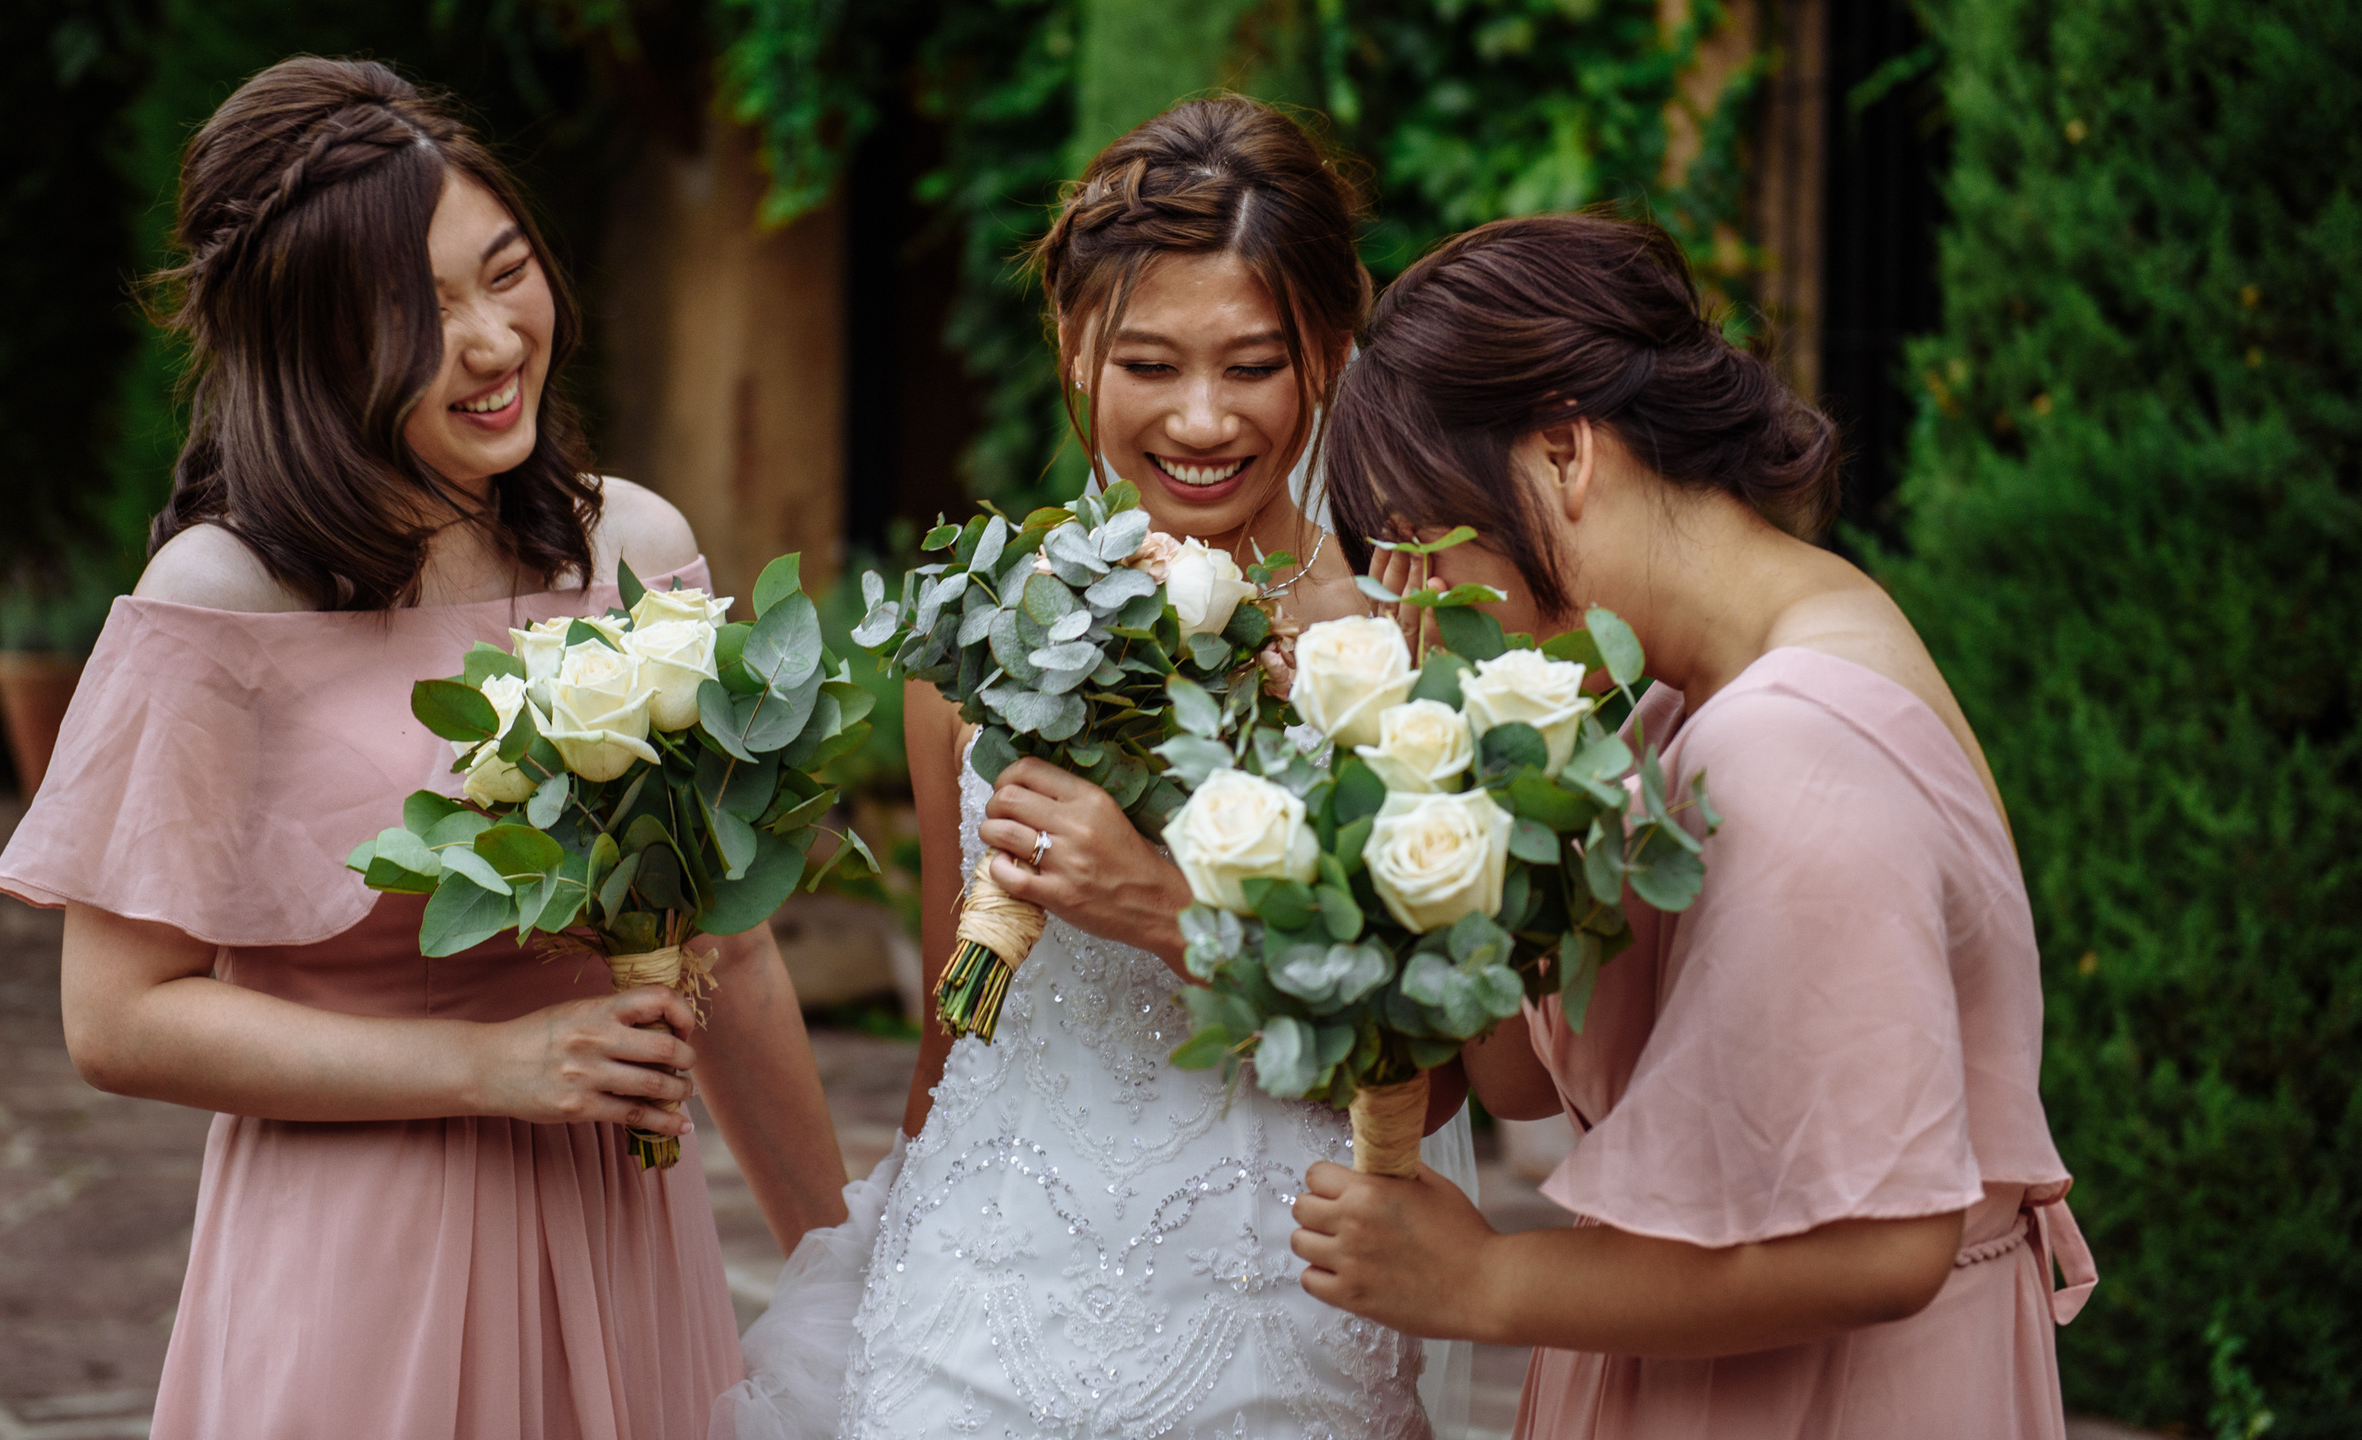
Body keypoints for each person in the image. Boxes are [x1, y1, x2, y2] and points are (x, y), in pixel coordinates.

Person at [0, 56, 848, 1440]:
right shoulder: (223, 598)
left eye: (506, 274)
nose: (493, 341)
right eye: (418, 312)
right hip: (360, 1255)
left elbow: (730, 956)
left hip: (623, 1238)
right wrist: (491, 1068)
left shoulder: (635, 548)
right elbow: (119, 1018)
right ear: (306, 344)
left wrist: (849, 1287)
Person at [712, 97, 1475, 1440]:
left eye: (1253, 366)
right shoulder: (974, 639)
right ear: (1074, 347)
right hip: (971, 1309)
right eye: (1148, 363)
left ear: (1328, 353)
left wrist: (1171, 915)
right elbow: (957, 1022)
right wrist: (890, 1257)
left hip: (1272, 1315)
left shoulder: (1401, 648)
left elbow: (1444, 1074)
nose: (1201, 419)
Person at [1286, 213, 2097, 1438]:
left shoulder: (1790, 741)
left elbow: (1881, 1245)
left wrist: (1483, 1281)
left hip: (1818, 1400)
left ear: (1563, 452)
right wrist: (1432, 765)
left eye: (1425, 544)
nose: (1424, 603)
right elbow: (1520, 1080)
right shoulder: (1680, 692)